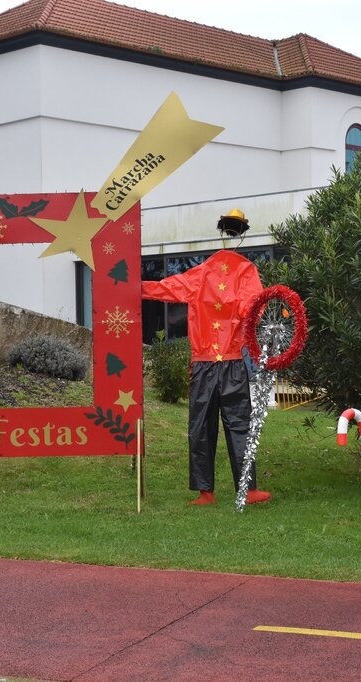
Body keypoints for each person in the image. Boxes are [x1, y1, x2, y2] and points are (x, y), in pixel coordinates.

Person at [142, 209, 271, 505]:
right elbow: (255, 308)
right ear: (242, 233)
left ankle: (207, 492)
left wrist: (132, 288)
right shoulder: (245, 272)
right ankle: (245, 489)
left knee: (201, 426)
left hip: (206, 363)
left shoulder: (203, 272)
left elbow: (166, 288)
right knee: (237, 425)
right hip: (229, 362)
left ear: (221, 231)